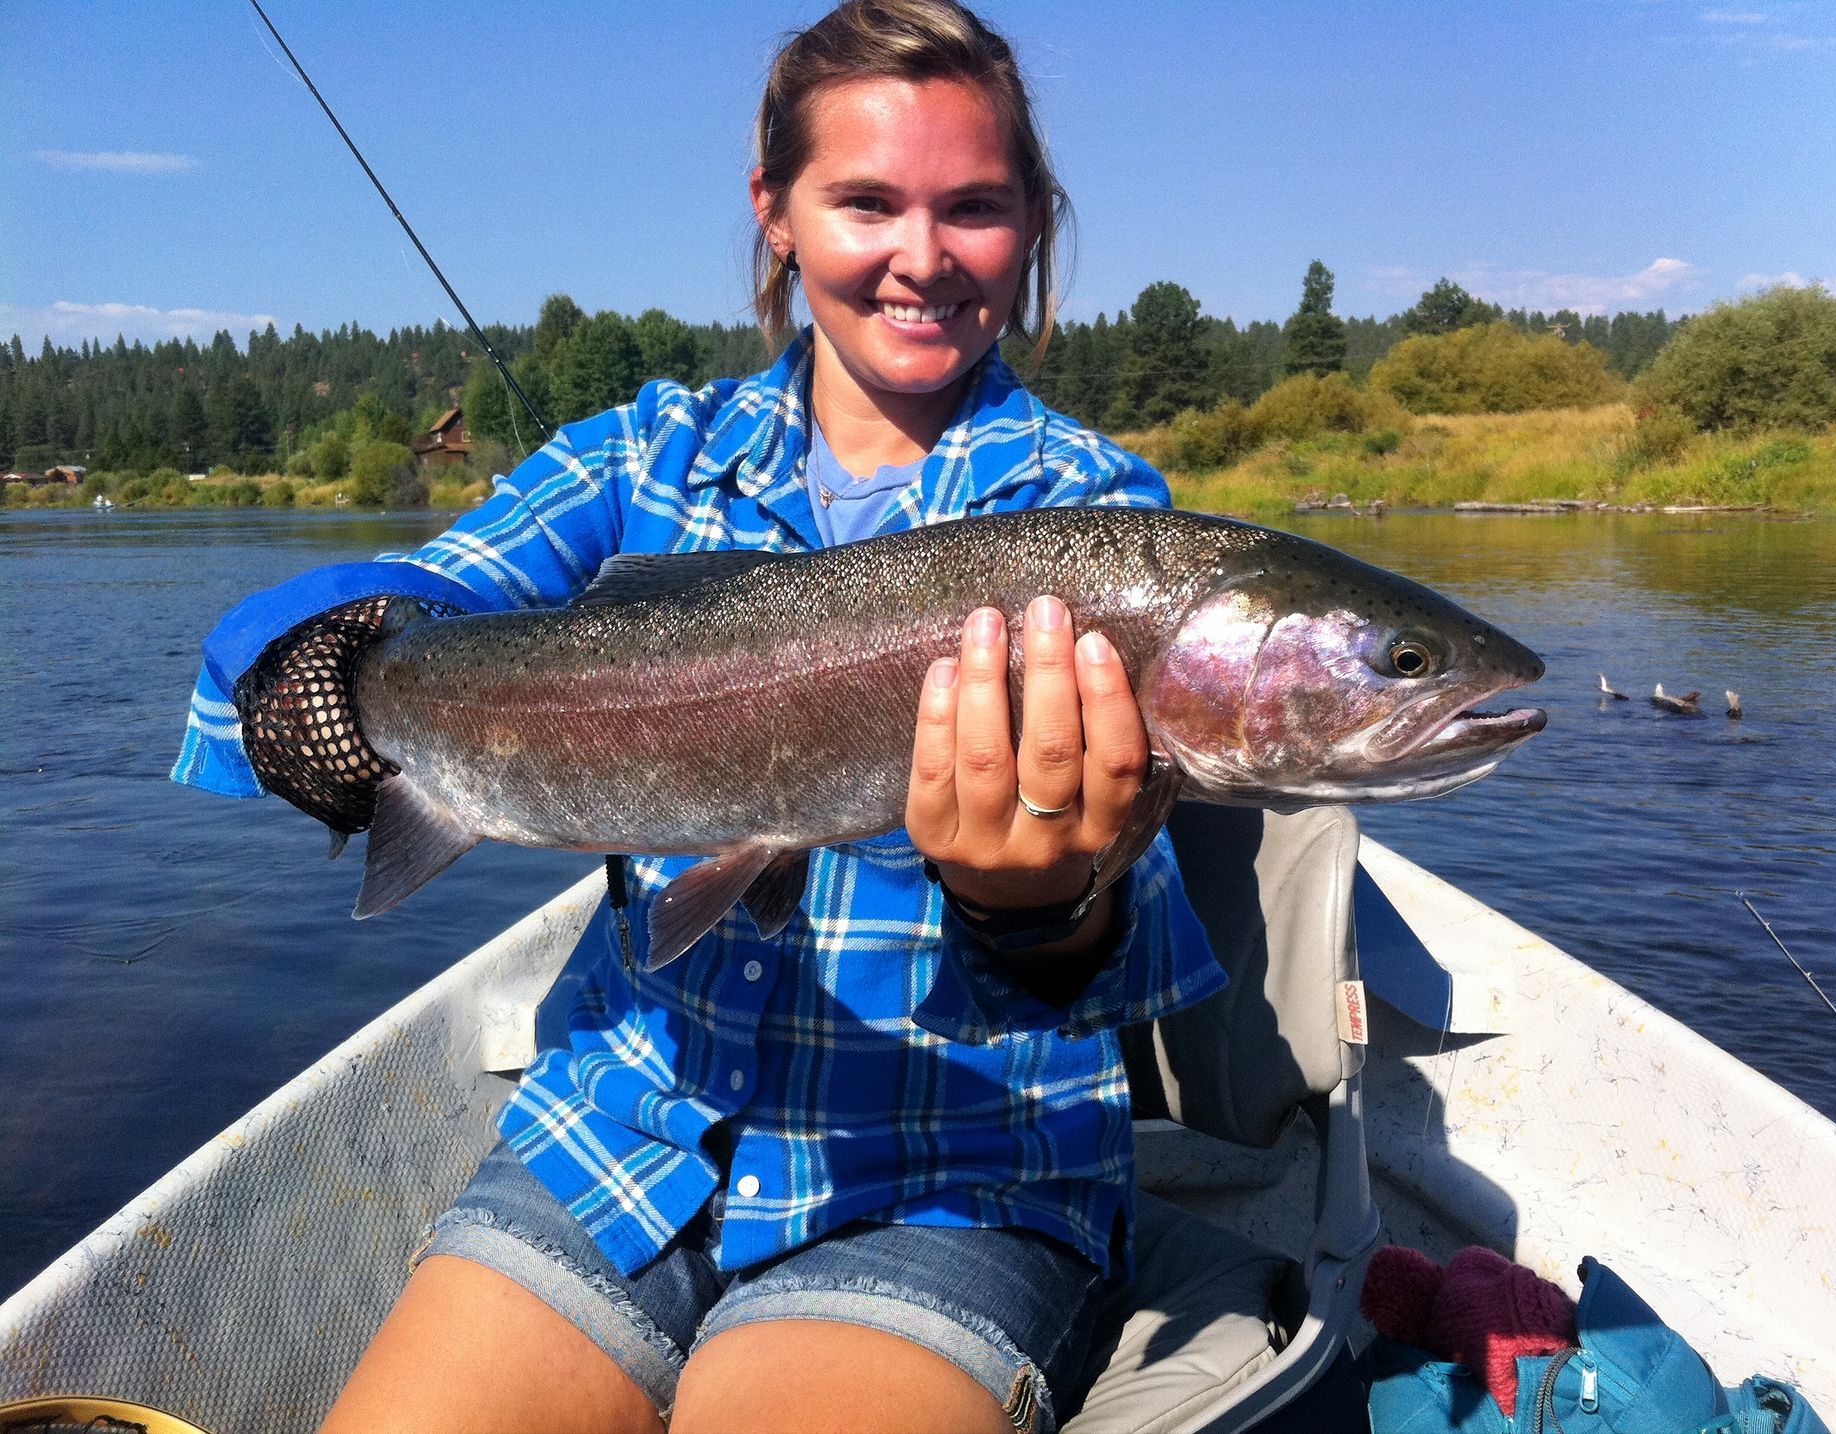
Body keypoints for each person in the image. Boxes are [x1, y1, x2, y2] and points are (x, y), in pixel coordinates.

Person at [174, 3, 1223, 1429]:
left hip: (956, 1170)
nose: (922, 255)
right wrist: (318, 665)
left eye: (973, 207)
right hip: (615, 1135)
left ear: (1034, 221)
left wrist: (1034, 904)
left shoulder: (1100, 527)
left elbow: (1110, 945)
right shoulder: (635, 458)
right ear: (776, 213)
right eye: (867, 201)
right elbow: (413, 592)